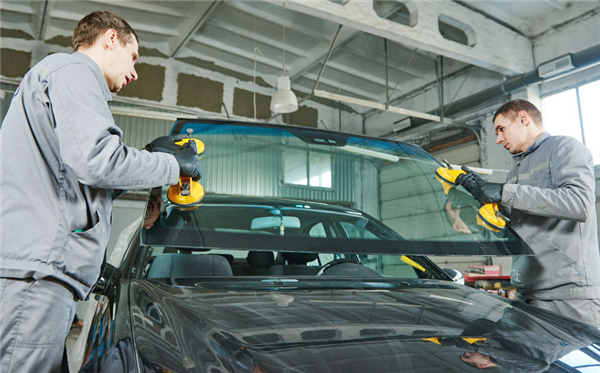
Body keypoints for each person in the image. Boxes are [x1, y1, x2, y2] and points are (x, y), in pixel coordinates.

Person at [0, 11, 199, 373]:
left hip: (39, 274)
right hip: (38, 278)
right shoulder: (74, 72)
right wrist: (174, 167)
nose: (135, 72)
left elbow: (79, 181)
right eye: (134, 56)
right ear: (110, 39)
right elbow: (97, 161)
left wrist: (150, 157)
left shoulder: (55, 77)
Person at [455, 99, 600, 325]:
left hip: (568, 296)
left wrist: (504, 191)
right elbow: (519, 223)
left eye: (501, 129)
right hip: (528, 292)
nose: (498, 139)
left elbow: (579, 203)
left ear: (523, 119)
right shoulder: (516, 171)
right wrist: (482, 193)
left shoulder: (565, 148)